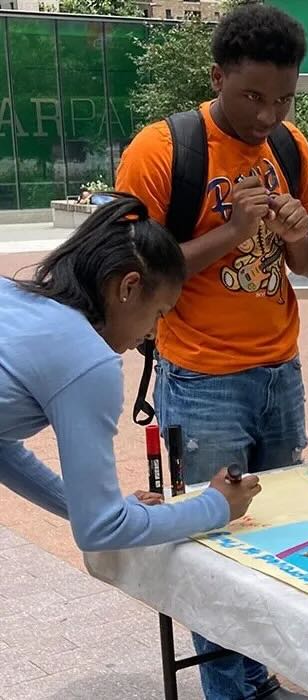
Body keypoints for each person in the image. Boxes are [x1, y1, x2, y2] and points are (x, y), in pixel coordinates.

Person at [115, 5, 308, 699]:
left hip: (280, 372)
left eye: (284, 98)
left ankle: (258, 677)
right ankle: (230, 691)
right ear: (217, 77)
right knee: (217, 544)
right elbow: (134, 272)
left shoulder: (291, 148)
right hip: (201, 378)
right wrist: (233, 230)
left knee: (277, 535)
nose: (269, 115)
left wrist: (295, 232)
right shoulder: (161, 149)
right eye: (253, 97)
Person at [0, 196, 261, 551]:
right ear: (128, 287)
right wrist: (215, 506)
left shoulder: (13, 296)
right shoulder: (87, 361)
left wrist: (91, 507)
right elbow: (102, 530)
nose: (153, 333)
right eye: (158, 312)